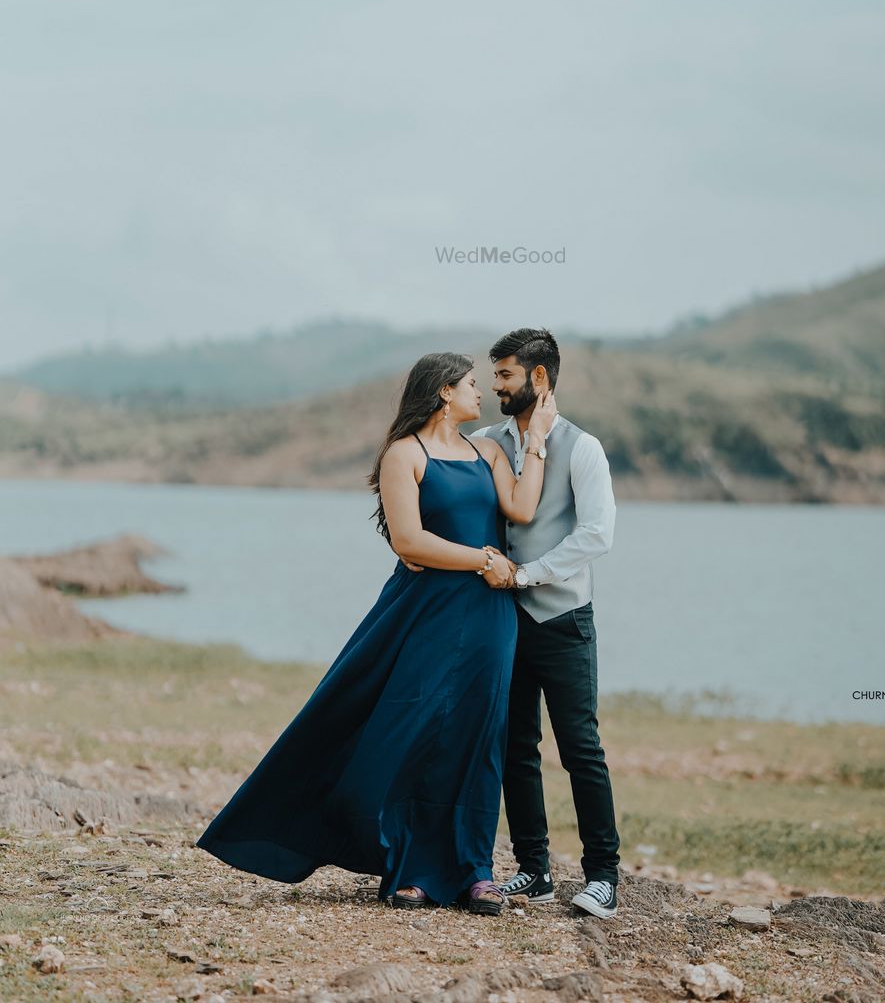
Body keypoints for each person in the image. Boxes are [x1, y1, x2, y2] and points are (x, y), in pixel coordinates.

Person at [195, 351, 557, 914]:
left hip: (489, 618)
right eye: (469, 384)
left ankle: (475, 870)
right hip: (425, 610)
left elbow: (522, 506)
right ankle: (412, 867)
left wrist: (535, 438)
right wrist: (483, 559)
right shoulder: (404, 455)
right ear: (442, 392)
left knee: (478, 736)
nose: (479, 393)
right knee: (412, 727)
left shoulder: (486, 451)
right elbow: (409, 541)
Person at [400, 329, 622, 919]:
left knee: (581, 749)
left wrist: (524, 577)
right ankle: (535, 869)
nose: (495, 386)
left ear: (539, 378)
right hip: (499, 624)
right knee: (515, 747)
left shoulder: (583, 448)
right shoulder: (486, 443)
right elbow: (445, 491)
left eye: (504, 375)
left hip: (563, 618)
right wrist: (409, 543)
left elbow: (596, 535)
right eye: (490, 377)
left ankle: (603, 875)